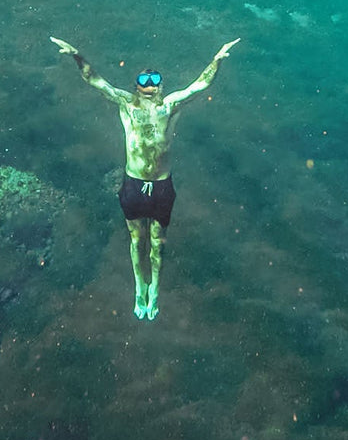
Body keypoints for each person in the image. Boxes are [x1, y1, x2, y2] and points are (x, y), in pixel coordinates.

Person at [49, 35, 242, 320]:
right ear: (136, 86)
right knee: (136, 240)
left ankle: (154, 292)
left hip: (162, 186)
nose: (150, 85)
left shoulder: (169, 106)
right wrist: (77, 55)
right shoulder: (127, 104)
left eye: (154, 80)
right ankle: (140, 287)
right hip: (134, 184)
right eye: (144, 80)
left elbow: (200, 85)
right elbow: (95, 81)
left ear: (161, 85)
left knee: (157, 245)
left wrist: (217, 59)